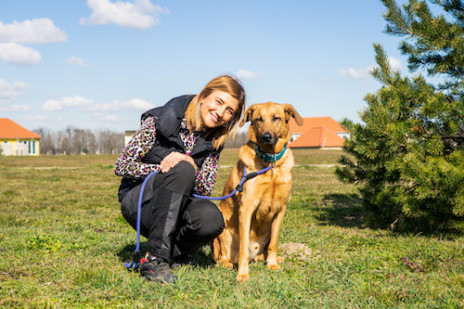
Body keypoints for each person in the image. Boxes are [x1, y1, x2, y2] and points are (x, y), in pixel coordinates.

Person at [114, 75, 246, 284]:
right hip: (139, 202)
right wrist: (165, 168)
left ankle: (173, 252)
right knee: (182, 168)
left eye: (229, 111)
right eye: (218, 102)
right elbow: (122, 165)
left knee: (212, 219)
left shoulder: (214, 141)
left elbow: (204, 190)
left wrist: (191, 165)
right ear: (204, 96)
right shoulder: (159, 120)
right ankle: (155, 259)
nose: (220, 113)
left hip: (177, 204)